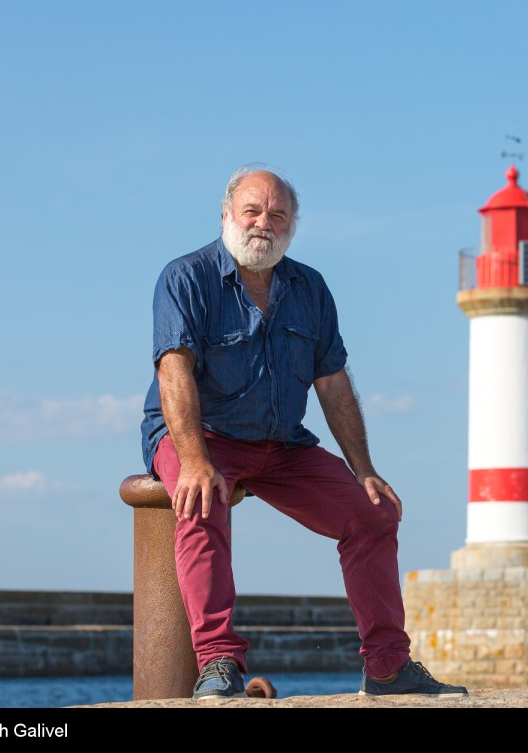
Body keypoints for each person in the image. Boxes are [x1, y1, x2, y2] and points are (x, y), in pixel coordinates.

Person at [139, 164, 467, 700]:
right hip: (204, 435)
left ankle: (387, 668)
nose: (263, 223)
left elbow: (333, 383)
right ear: (226, 215)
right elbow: (173, 370)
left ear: (292, 225)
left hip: (283, 444)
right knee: (201, 501)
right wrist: (194, 461)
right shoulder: (186, 277)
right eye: (252, 210)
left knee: (374, 513)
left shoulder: (309, 287)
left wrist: (365, 470)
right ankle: (218, 663)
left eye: (277, 214)